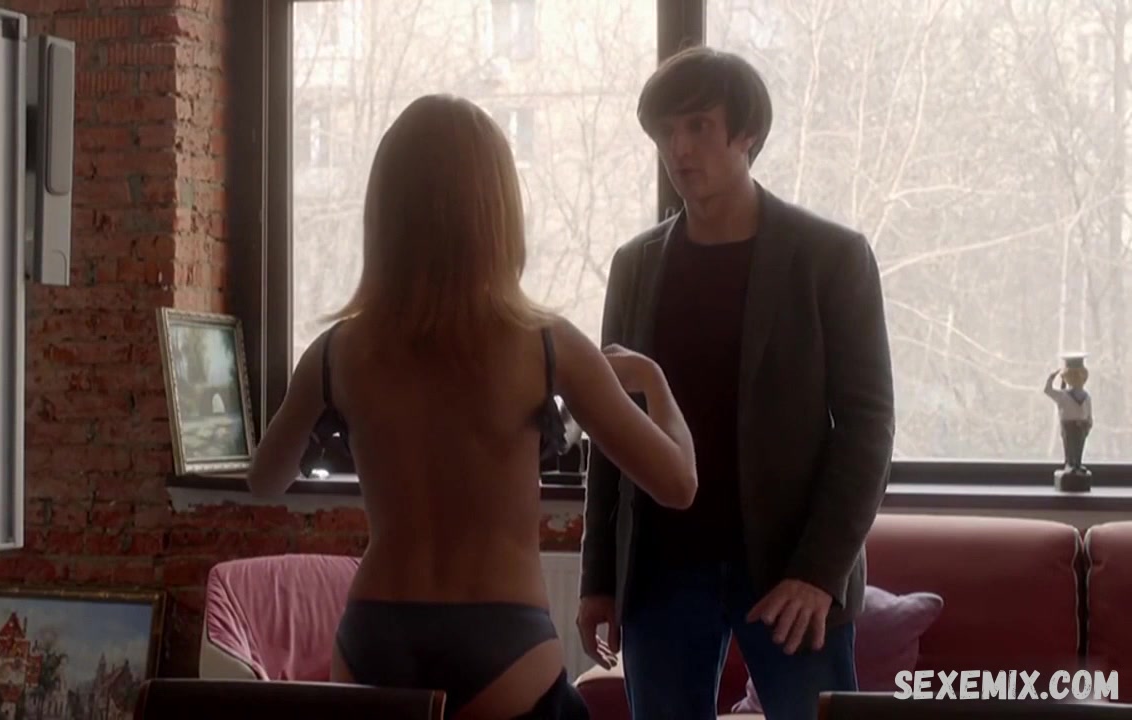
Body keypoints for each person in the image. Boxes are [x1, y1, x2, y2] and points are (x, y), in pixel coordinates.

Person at [246, 94, 699, 720]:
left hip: (375, 635)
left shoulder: (336, 352)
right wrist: (654, 380)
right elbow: (679, 484)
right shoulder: (546, 345)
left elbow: (265, 480)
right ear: (498, 211)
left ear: (386, 213)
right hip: (501, 641)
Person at [576, 46, 895, 720]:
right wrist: (598, 579)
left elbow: (868, 428)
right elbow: (613, 428)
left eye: (698, 126)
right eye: (666, 131)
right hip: (662, 568)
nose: (679, 149)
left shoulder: (831, 257)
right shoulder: (635, 266)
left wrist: (818, 573)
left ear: (747, 133)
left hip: (790, 570)